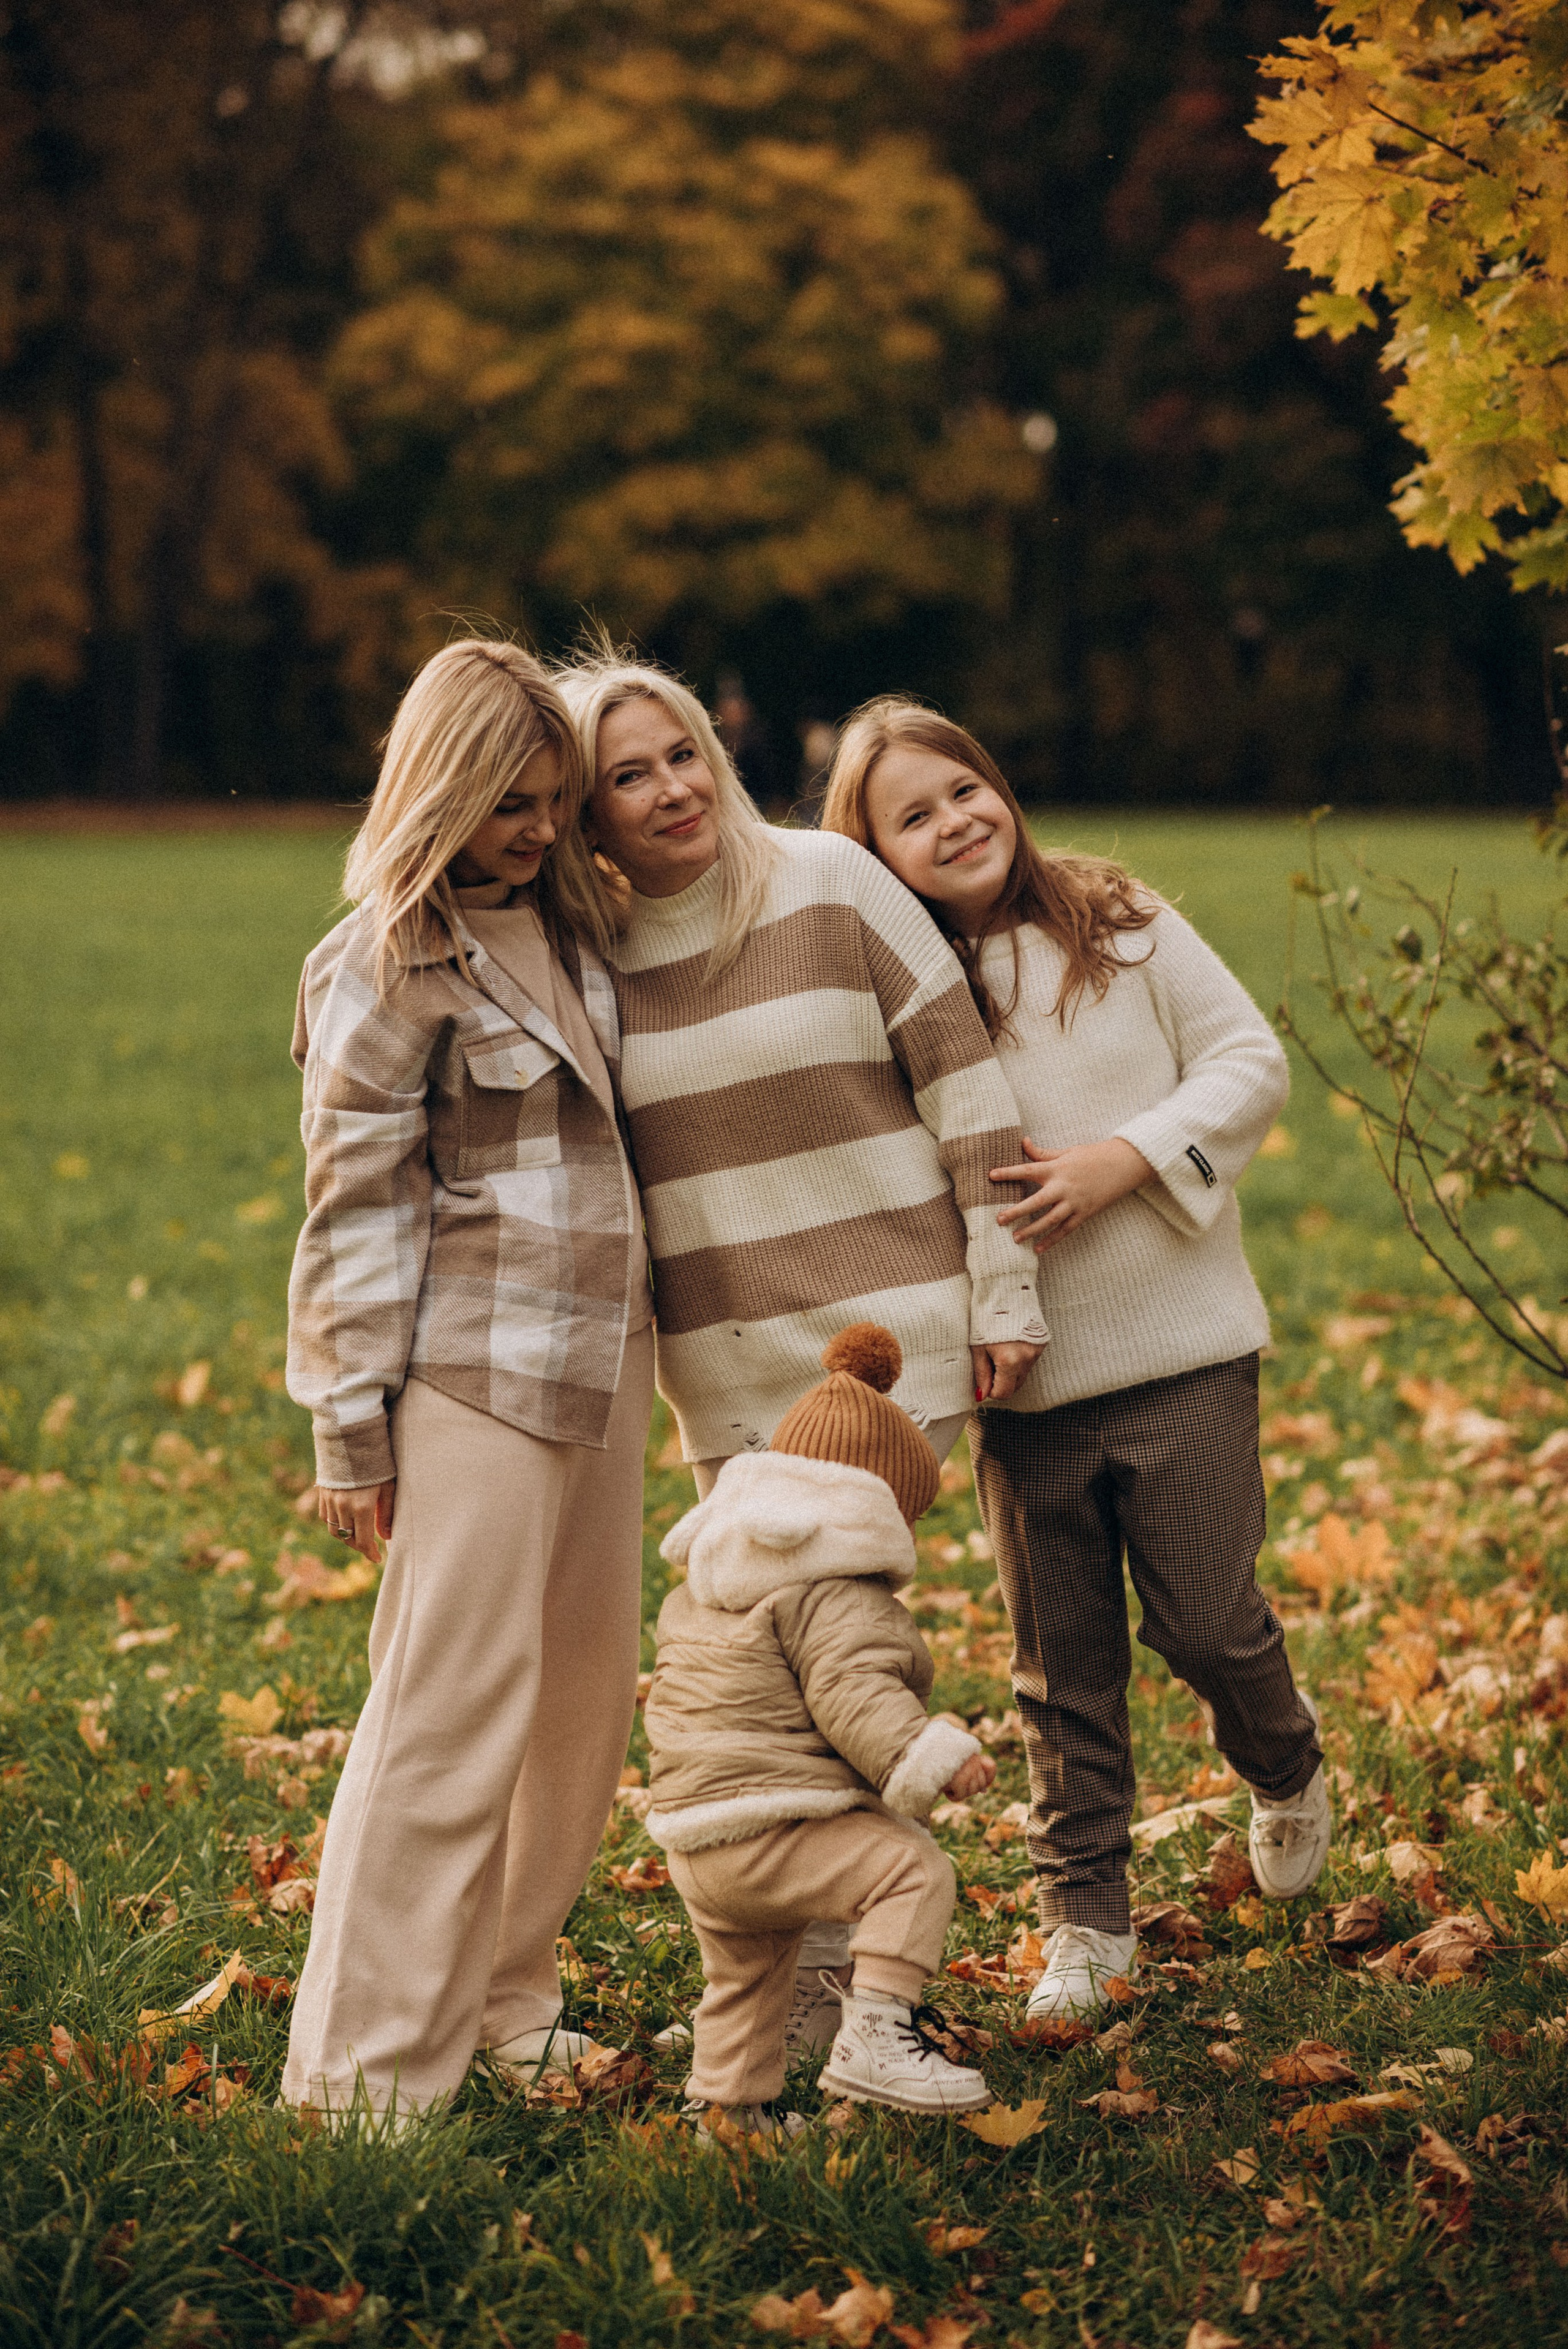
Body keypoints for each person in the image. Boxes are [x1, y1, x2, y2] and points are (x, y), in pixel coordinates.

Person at [552, 648, 1045, 2050]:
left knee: (828, 1643)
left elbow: (966, 1086)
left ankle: (844, 1985)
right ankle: (796, 1979)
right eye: (625, 775)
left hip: (887, 1343)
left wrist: (1003, 1289)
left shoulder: (831, 885)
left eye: (681, 754)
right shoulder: (588, 951)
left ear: (716, 747)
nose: (667, 790)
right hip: (721, 1367)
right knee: (760, 1668)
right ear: (588, 811)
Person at [823, 698, 1326, 2023]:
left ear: (1000, 784)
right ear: (873, 856)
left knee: (1207, 1620)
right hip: (1022, 1389)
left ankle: (1281, 1762)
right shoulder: (894, 992)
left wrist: (1128, 1157)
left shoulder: (1113, 921)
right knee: (1061, 1666)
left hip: (1182, 1353)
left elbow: (1246, 1061)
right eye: (911, 816)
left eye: (962, 789)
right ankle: (1082, 1916)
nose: (952, 823)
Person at [281, 640, 654, 2127]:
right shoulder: (380, 962)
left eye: (554, 799)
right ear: (437, 788)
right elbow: (355, 1206)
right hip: (473, 1375)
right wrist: (348, 1424)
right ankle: (360, 2074)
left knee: (578, 1706)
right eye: (508, 802)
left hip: (607, 1358)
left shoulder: (578, 931)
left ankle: (510, 1997)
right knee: (445, 1709)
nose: (539, 828)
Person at [644, 1325, 997, 2133]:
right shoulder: (834, 1589)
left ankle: (730, 2123)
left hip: (698, 1837)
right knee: (911, 1873)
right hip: (772, 1824)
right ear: (877, 1506)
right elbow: (854, 1690)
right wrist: (929, 1758)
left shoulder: (712, 1580)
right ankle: (877, 2032)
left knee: (749, 1976)